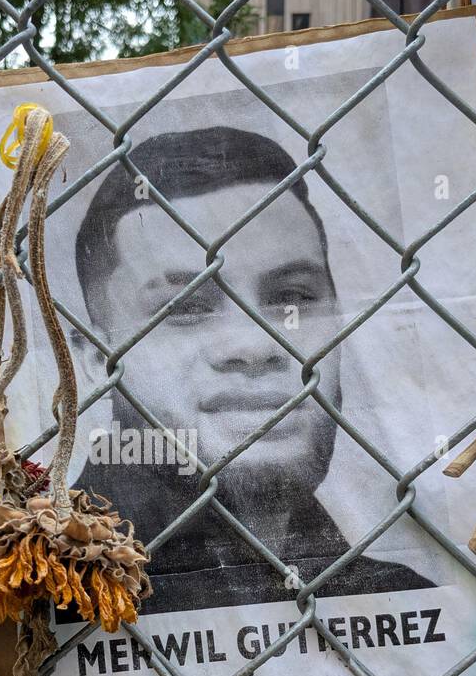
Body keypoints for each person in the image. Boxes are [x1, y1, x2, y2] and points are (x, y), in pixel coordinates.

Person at [69, 125, 432, 614]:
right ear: (98, 359)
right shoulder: (44, 595)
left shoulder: (399, 604)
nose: (256, 345)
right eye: (186, 306)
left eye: (293, 298)